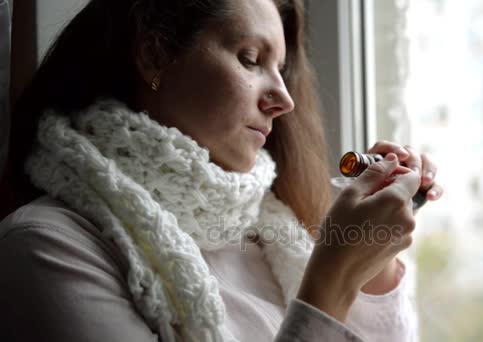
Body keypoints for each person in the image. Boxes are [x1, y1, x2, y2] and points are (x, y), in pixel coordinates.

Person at [0, 0, 443, 341]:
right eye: (250, 59)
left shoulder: (275, 236)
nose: (285, 100)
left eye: (282, 70)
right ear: (155, 55)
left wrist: (372, 269)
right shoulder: (44, 247)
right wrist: (332, 280)